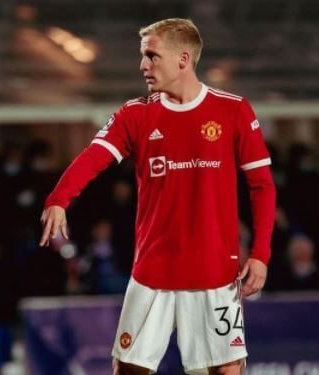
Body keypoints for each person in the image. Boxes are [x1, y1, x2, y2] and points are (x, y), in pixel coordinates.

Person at [40, 18, 276, 374]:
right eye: (142, 56)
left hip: (215, 272)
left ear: (183, 59)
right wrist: (59, 198)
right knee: (129, 370)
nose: (143, 65)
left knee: (226, 370)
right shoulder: (136, 113)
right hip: (153, 272)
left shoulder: (233, 110)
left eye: (151, 56)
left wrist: (260, 254)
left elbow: (262, 185)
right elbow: (93, 157)